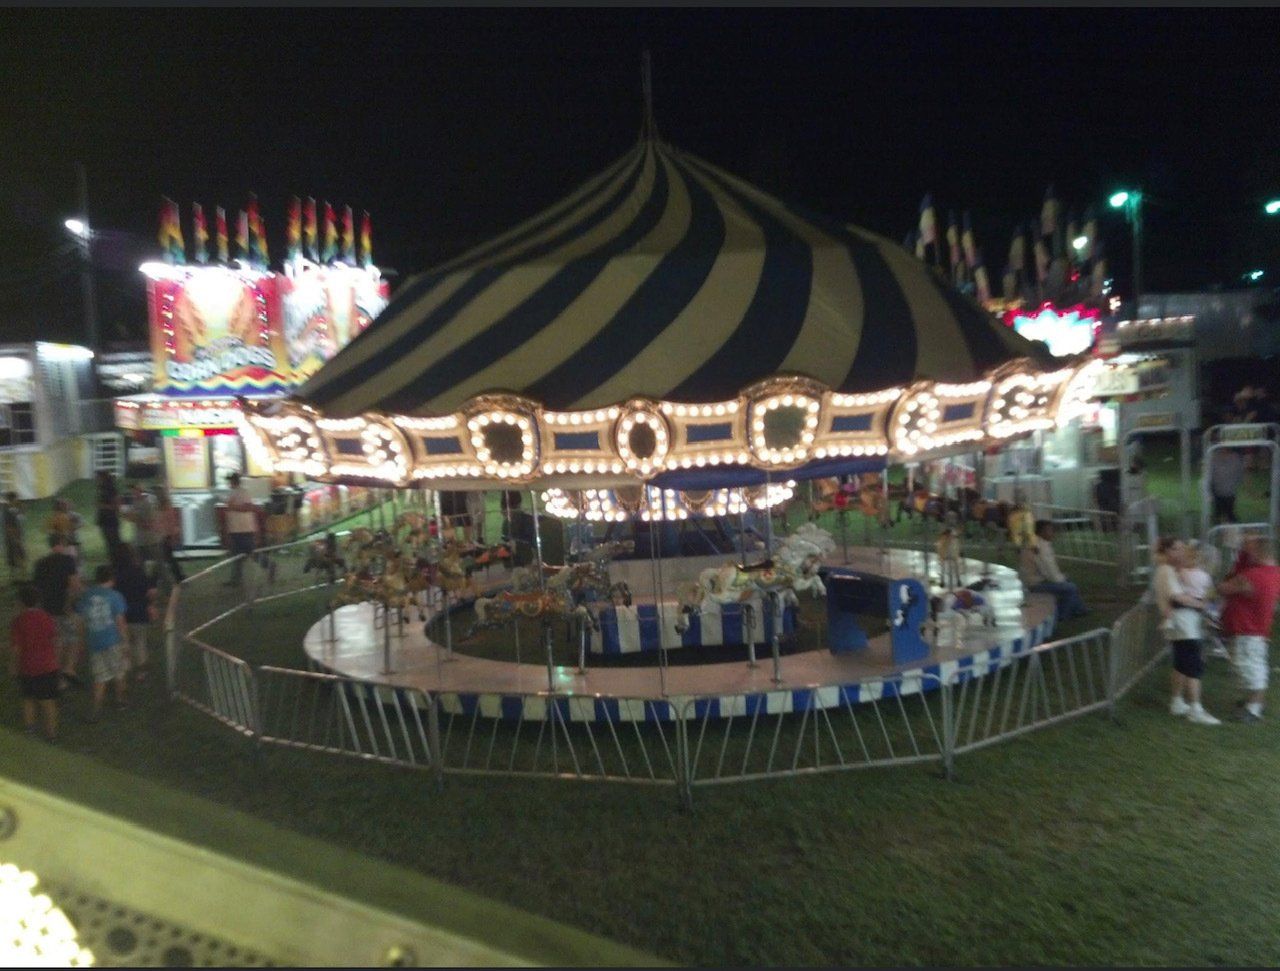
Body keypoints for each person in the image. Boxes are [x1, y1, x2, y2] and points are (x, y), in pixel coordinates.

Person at [1154, 538, 1220, 725]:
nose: (1182, 552)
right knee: (1193, 667)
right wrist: (1202, 605)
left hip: (1179, 624)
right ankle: (1196, 708)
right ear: (1166, 551)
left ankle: (1176, 701)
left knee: (1181, 664)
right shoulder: (1167, 571)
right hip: (1184, 624)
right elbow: (1178, 597)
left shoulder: (1171, 571)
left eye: (1183, 548)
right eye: (1176, 548)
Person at [1218, 535, 1280, 724]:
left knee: (1251, 669)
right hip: (1255, 630)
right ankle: (1251, 703)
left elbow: (1224, 587)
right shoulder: (1274, 573)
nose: (1245, 552)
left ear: (1258, 552)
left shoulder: (1252, 576)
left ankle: (1253, 709)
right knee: (1249, 667)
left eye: (1249, 550)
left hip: (1247, 630)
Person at [75, 563, 129, 721]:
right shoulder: (115, 596)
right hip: (112, 641)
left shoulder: (86, 595)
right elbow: (120, 622)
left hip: (94, 641)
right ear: (111, 579)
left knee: (99, 677)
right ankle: (120, 700)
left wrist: (82, 640)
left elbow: (81, 620)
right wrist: (125, 643)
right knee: (119, 672)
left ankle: (96, 709)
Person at [9, 583, 60, 741]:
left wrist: (12, 666)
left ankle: (30, 730)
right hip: (48, 665)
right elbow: (55, 639)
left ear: (21, 602)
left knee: (28, 698)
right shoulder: (47, 617)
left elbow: (16, 648)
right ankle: (51, 734)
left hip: (28, 667)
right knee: (48, 701)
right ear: (38, 601)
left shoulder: (18, 621)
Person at [31, 537, 82, 689]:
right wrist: (72, 603)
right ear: (62, 545)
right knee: (73, 639)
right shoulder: (68, 560)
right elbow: (74, 585)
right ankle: (68, 669)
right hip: (64, 608)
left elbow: (36, 589)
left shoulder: (39, 563)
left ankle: (58, 675)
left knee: (55, 643)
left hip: (47, 609)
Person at [1018, 520, 1088, 622]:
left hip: (1032, 581)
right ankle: (1063, 615)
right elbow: (1049, 571)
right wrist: (1062, 578)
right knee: (1070, 588)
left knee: (1068, 584)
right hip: (1035, 584)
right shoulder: (1040, 547)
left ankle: (1080, 609)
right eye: (1050, 530)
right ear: (1041, 532)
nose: (1053, 533)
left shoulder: (1036, 543)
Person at [112, 544, 157, 682]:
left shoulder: (115, 575)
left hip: (122, 615)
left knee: (125, 642)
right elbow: (149, 592)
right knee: (140, 642)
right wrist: (151, 605)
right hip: (140, 613)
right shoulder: (138, 572)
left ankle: (124, 669)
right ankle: (141, 672)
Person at [223, 472, 259, 588]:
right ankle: (235, 579)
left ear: (233, 481)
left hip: (244, 528)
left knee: (248, 553)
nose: (228, 483)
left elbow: (249, 507)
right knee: (238, 554)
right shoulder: (233, 492)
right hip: (236, 528)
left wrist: (233, 507)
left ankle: (236, 579)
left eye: (230, 481)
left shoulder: (243, 492)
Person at [123, 482, 162, 569]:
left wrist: (136, 520)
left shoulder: (147, 503)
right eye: (132, 492)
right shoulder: (135, 503)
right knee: (140, 564)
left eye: (135, 491)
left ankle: (165, 580)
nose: (133, 494)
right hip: (139, 539)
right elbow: (132, 516)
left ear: (140, 491)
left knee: (158, 563)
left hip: (150, 539)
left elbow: (150, 522)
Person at [155, 487, 185, 584]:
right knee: (167, 558)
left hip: (166, 535)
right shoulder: (159, 507)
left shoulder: (167, 508)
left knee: (168, 558)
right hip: (162, 535)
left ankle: (178, 576)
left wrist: (172, 536)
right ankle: (178, 576)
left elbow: (171, 522)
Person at [95, 470, 122, 553]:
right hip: (104, 520)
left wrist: (102, 506)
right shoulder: (102, 490)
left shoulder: (111, 490)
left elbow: (117, 506)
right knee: (109, 543)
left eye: (98, 478)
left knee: (114, 542)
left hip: (110, 520)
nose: (96, 480)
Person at [3, 491, 26, 580]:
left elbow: (21, 518)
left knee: (21, 554)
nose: (17, 501)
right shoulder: (6, 511)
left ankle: (22, 574)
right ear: (11, 500)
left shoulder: (15, 509)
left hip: (18, 536)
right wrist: (15, 538)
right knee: (13, 555)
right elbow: (8, 527)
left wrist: (22, 510)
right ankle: (14, 576)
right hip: (11, 538)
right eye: (16, 499)